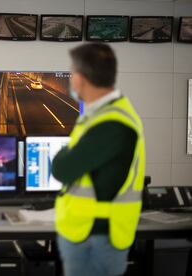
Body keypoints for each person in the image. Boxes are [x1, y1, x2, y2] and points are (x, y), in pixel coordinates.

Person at [52, 43, 145, 276]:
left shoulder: (111, 124)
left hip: (96, 235)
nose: (71, 79)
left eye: (72, 72)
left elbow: (62, 168)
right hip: (93, 233)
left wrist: (64, 157)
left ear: (81, 78)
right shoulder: (103, 114)